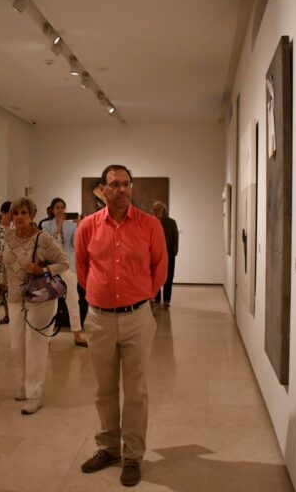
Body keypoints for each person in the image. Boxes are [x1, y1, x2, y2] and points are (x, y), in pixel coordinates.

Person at [75, 165, 167, 487]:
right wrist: (101, 299)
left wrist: (141, 296)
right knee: (104, 390)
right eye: (115, 184)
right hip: (99, 318)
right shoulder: (87, 227)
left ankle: (132, 456)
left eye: (126, 184)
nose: (122, 189)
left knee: (136, 391)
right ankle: (108, 448)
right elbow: (82, 269)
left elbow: (160, 268)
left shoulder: (150, 225)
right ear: (103, 189)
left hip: (137, 318)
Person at [2, 197, 68, 415]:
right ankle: (23, 383)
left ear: (32, 215)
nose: (19, 217)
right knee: (17, 345)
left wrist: (44, 271)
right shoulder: (9, 235)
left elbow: (63, 262)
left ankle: (35, 393)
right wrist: (2, 281)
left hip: (39, 297)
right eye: (16, 213)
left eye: (23, 213)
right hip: (14, 298)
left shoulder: (43, 238)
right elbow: (5, 262)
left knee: (35, 346)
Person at [41, 197, 88, 346]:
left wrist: (80, 227)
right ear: (52, 210)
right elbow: (48, 245)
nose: (60, 210)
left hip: (69, 266)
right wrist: (58, 227)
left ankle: (77, 335)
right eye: (57, 207)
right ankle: (47, 336)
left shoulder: (72, 226)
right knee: (51, 303)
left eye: (62, 207)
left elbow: (75, 245)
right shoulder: (45, 225)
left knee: (73, 301)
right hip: (53, 267)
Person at [152, 201, 179, 308]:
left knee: (168, 278)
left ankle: (167, 300)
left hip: (169, 255)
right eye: (154, 209)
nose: (155, 211)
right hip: (154, 256)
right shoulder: (151, 222)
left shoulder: (171, 223)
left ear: (163, 210)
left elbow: (175, 239)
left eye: (157, 209)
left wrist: (173, 253)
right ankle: (156, 298)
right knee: (155, 277)